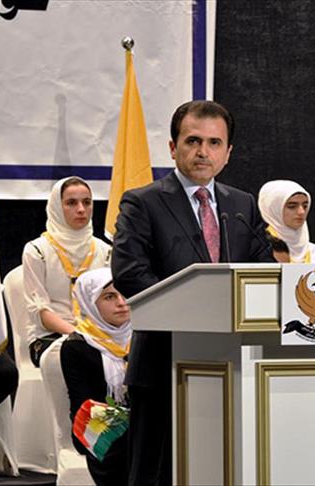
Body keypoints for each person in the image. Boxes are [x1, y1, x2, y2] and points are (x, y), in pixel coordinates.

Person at [112, 100, 274, 485]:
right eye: (193, 141)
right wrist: (196, 313)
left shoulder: (242, 205)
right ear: (173, 148)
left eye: (214, 143)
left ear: (228, 153)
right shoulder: (143, 202)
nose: (203, 152)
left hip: (234, 364)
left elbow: (264, 272)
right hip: (163, 362)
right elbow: (130, 274)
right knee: (155, 475)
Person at [22, 176, 111, 367]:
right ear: (56, 206)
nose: (81, 209)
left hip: (98, 335)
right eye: (71, 203)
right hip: (50, 337)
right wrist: (79, 335)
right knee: (82, 353)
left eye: (87, 202)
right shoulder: (37, 250)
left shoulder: (105, 251)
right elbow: (40, 311)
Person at [61, 267, 131, 485]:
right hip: (95, 427)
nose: (121, 303)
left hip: (140, 424)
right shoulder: (77, 346)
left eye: (124, 293)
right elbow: (84, 405)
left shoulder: (144, 335)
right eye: (109, 297)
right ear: (90, 303)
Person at [257, 179, 315, 263]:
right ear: (273, 209)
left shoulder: (313, 251)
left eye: (305, 206)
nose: (301, 212)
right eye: (292, 206)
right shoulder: (259, 248)